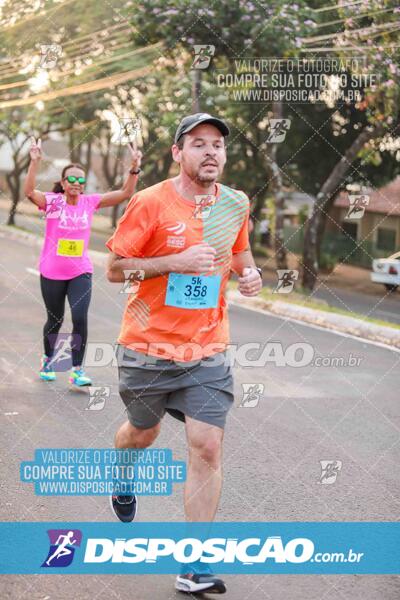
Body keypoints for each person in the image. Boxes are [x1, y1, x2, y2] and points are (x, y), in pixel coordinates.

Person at [106, 113, 262, 594]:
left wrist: (250, 274)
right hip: (147, 347)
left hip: (208, 347)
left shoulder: (235, 203)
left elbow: (240, 255)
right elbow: (115, 268)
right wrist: (173, 262)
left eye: (217, 144)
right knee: (142, 433)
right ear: (178, 153)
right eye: (198, 144)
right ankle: (124, 473)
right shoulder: (150, 202)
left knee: (207, 445)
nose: (211, 152)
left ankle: (193, 564)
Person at [24, 137, 142, 386]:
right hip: (52, 272)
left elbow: (125, 193)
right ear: (64, 183)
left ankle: (76, 369)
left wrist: (134, 167)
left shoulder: (90, 203)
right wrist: (35, 162)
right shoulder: (53, 203)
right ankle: (49, 360)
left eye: (81, 179)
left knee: (79, 317)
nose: (77, 183)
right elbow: (28, 192)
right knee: (55, 319)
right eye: (72, 179)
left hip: (80, 272)